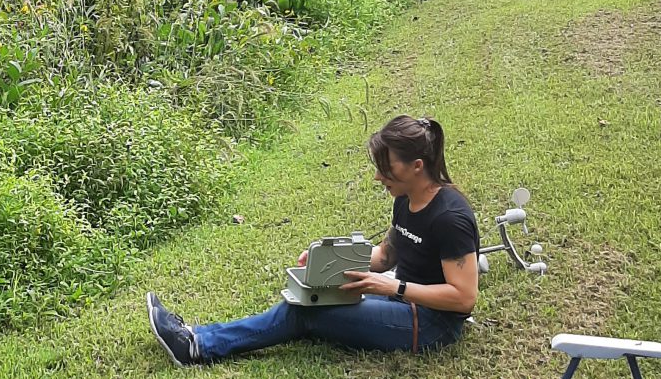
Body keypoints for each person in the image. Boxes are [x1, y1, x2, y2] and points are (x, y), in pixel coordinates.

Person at [147, 115, 479, 365]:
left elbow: (463, 298)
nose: (378, 176)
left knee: (305, 314)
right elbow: (386, 256)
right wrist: (329, 260)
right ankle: (199, 336)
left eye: (385, 168)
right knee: (312, 297)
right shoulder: (406, 199)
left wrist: (392, 287)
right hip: (404, 301)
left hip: (432, 324)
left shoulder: (450, 217)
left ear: (417, 166)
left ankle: (196, 346)